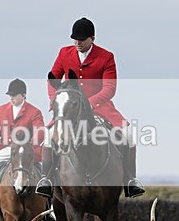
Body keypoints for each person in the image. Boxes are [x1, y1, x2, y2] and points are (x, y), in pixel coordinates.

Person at [35, 17, 145, 199]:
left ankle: (130, 180)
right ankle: (46, 180)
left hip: (100, 108)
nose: (77, 43)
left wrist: (89, 104)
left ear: (92, 38)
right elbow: (52, 79)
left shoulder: (106, 57)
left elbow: (110, 88)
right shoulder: (64, 53)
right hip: (68, 109)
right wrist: (56, 101)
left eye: (82, 39)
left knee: (128, 136)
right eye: (75, 39)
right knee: (48, 137)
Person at [0, 78, 46, 221]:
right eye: (10, 95)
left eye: (14, 95)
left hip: (26, 149)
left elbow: (40, 132)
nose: (11, 98)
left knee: (43, 171)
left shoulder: (34, 112)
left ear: (23, 95)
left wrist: (29, 145)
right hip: (6, 148)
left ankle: (47, 206)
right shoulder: (2, 109)